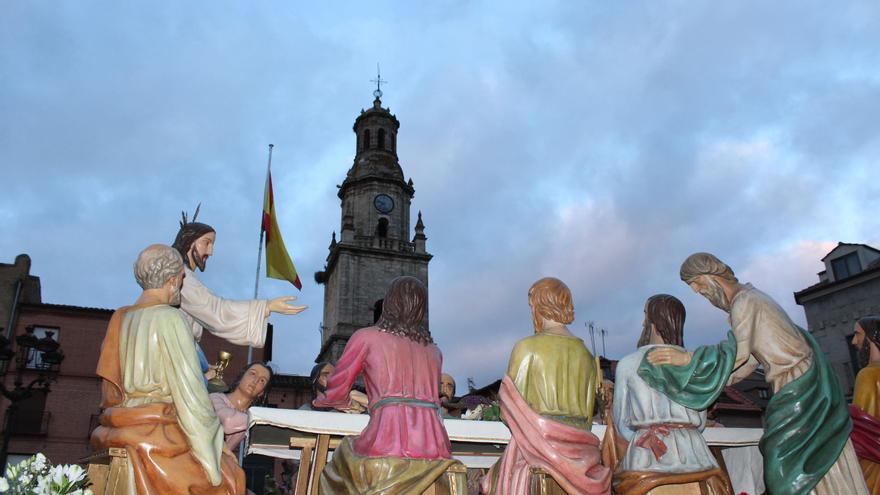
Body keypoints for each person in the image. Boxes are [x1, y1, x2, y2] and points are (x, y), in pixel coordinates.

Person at [643, 253, 868, 495]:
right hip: (796, 382)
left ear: (710, 277)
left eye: (697, 283)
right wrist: (708, 381)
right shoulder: (750, 299)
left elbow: (737, 352)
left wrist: (688, 359)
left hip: (798, 384)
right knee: (802, 455)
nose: (698, 292)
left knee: (784, 461)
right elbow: (749, 361)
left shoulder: (745, 301)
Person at [90, 244, 244, 494]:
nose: (182, 287)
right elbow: (191, 397)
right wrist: (213, 453)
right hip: (157, 431)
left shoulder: (121, 318)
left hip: (117, 425)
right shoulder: (170, 318)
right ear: (172, 280)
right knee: (231, 478)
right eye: (182, 280)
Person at [313, 276, 466, 494]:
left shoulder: (366, 337)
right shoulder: (434, 351)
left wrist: (342, 401)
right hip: (435, 443)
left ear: (389, 303)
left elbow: (337, 387)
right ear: (421, 308)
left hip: (386, 439)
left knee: (338, 460)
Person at [483, 277, 611, 495]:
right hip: (584, 454)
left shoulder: (527, 348)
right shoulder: (587, 356)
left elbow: (510, 410)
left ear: (540, 306)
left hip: (538, 450)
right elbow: (589, 414)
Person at [611, 294, 732, 495]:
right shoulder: (695, 363)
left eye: (645, 315)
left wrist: (645, 432)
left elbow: (622, 425)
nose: (642, 321)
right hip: (695, 454)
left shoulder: (628, 364)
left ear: (653, 321)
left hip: (646, 459)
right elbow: (701, 423)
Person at [171, 209, 306, 377]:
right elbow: (216, 310)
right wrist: (267, 306)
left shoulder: (186, 276)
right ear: (189, 241)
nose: (210, 251)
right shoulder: (180, 276)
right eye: (206, 243)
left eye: (212, 244)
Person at [210, 362, 273, 454]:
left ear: (261, 392)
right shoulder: (214, 398)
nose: (255, 381)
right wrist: (262, 419)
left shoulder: (248, 417)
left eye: (262, 380)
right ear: (241, 377)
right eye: (253, 373)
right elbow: (228, 421)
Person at [850, 316, 880, 493]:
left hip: (873, 464)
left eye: (857, 334)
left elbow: (863, 427)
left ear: (870, 336)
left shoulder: (867, 375)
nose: (854, 341)